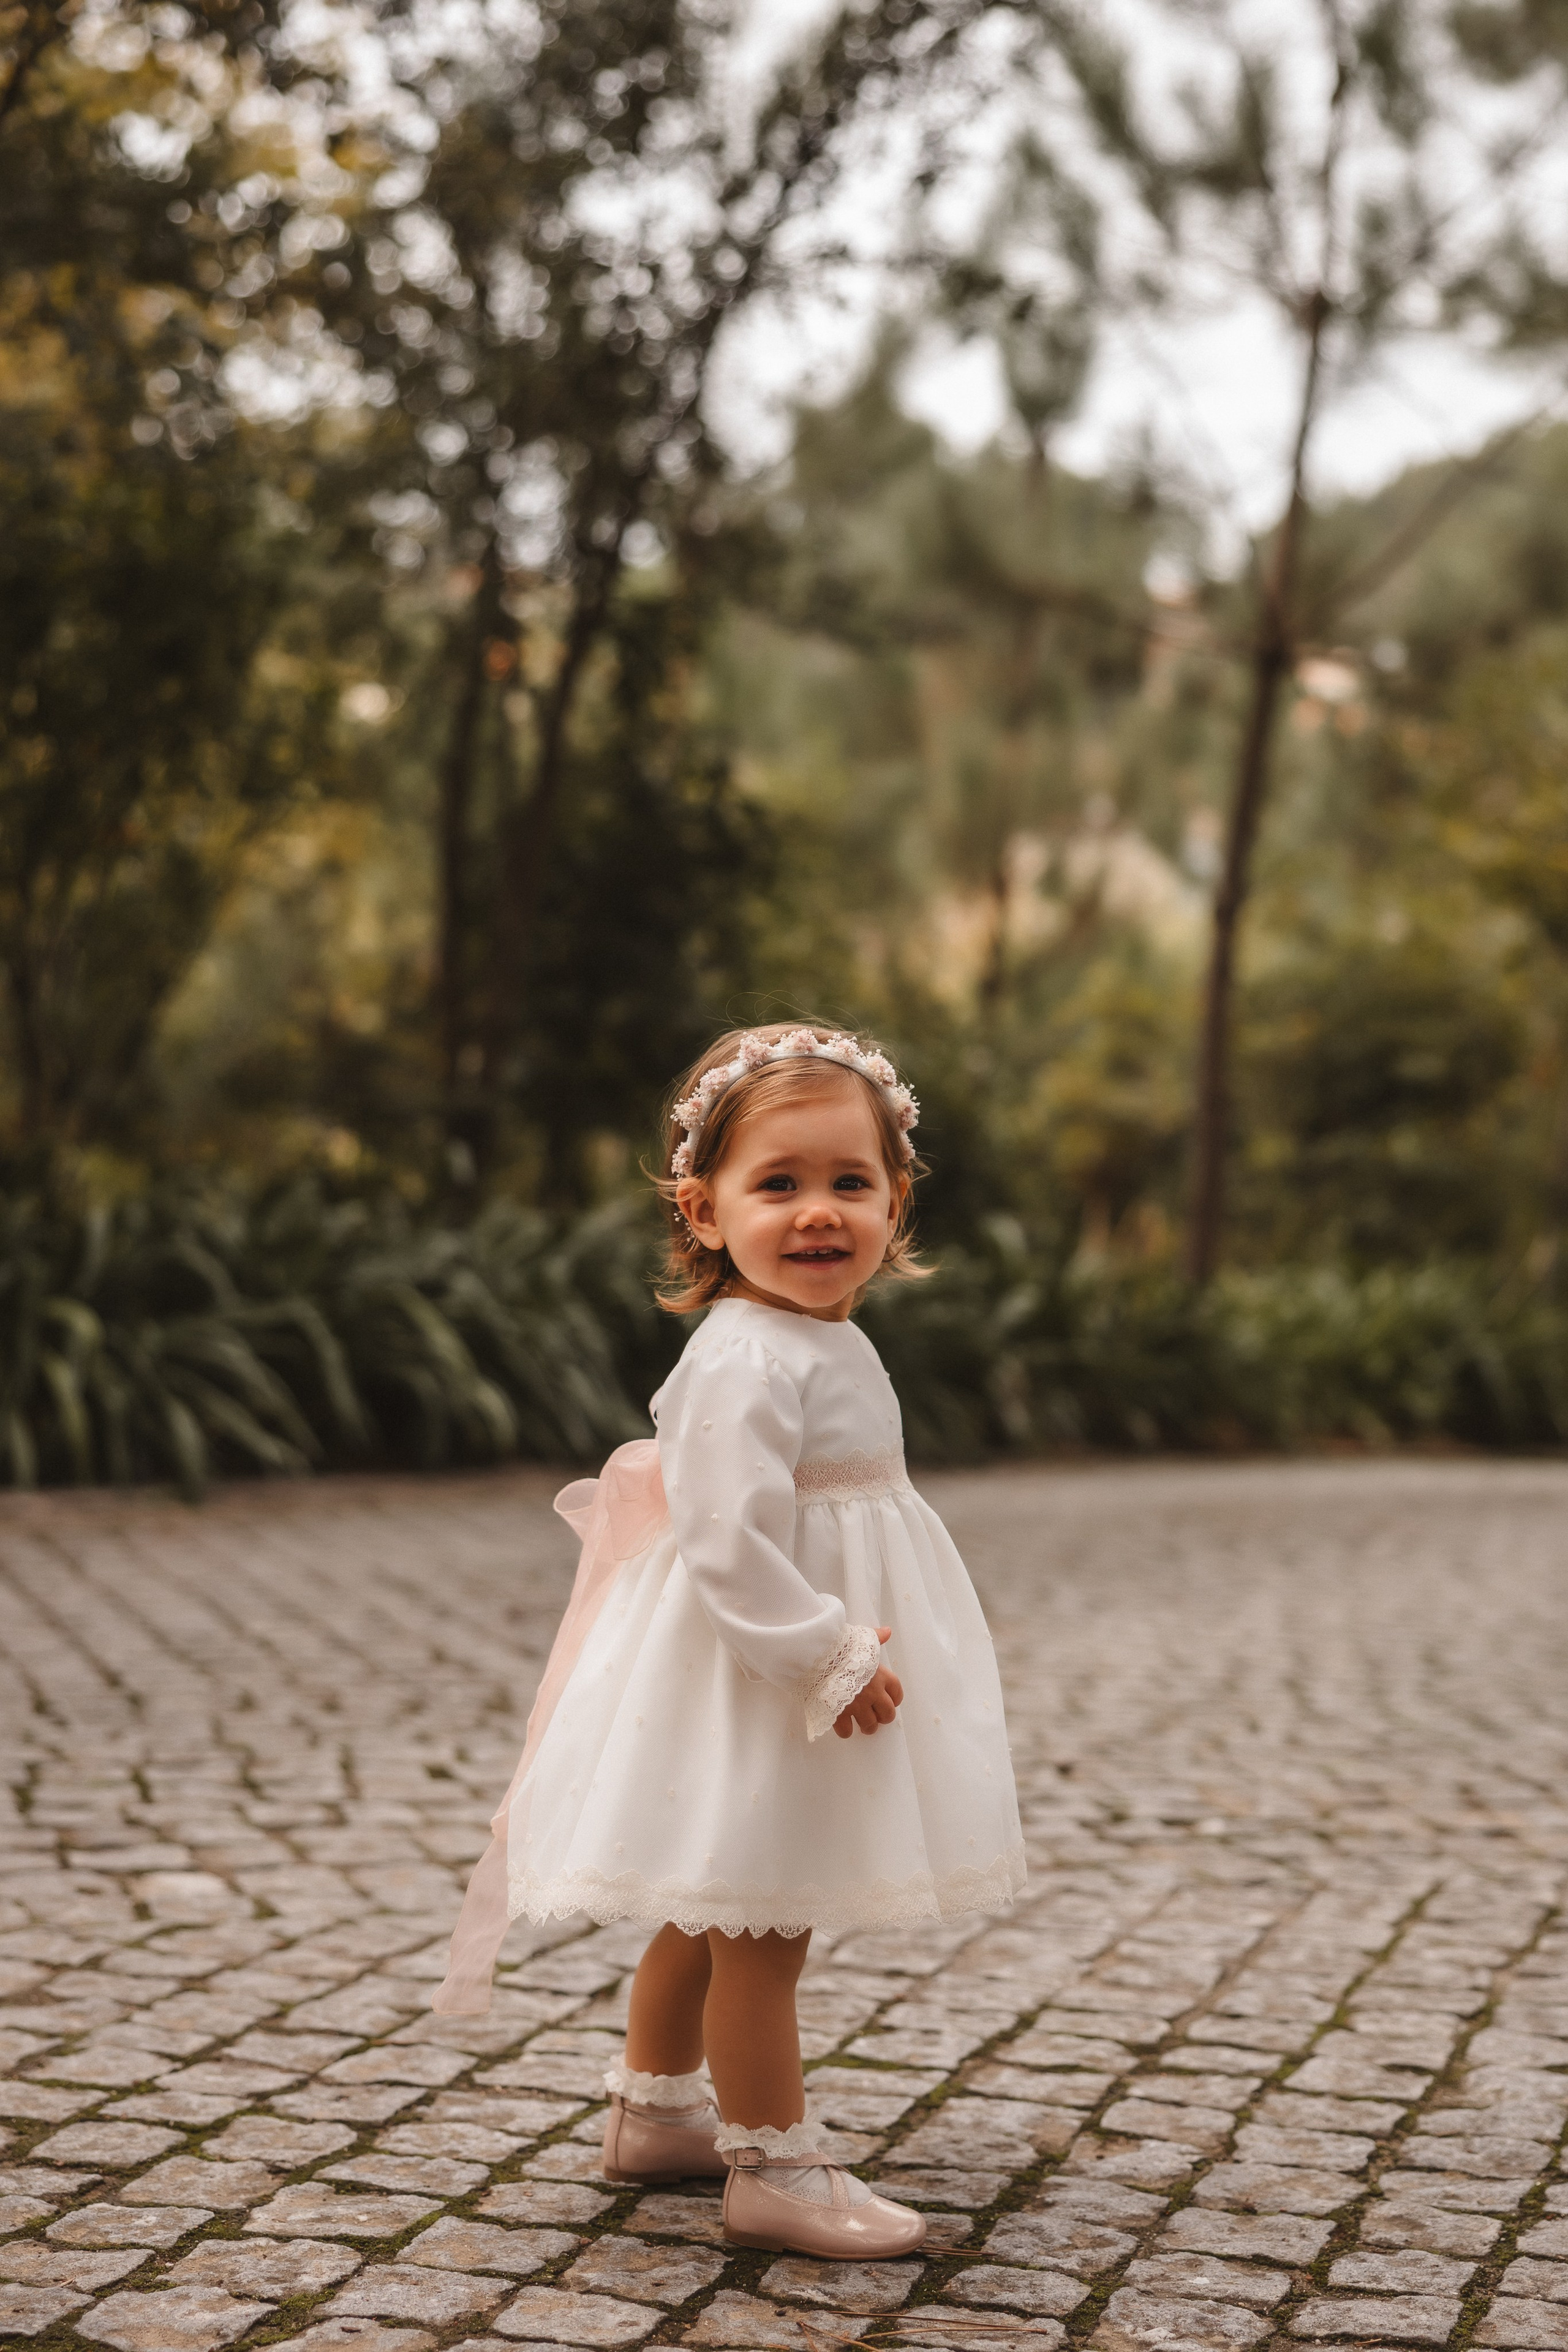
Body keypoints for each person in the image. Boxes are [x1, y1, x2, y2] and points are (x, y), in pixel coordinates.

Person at [434, 1021, 1024, 2257]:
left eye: (847, 1183)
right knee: (762, 1922)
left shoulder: (820, 1340)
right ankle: (774, 2168)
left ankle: (653, 2115)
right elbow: (721, 1538)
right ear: (704, 1214)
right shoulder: (745, 1355)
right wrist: (825, 1653)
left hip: (788, 1660)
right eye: (778, 1185)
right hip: (763, 1667)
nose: (817, 1212)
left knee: (716, 1904)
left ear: (894, 1200)